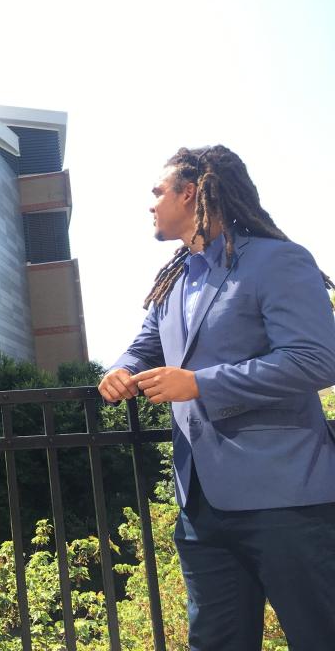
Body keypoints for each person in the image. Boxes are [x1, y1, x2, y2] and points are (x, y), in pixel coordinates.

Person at [98, 145, 335, 650]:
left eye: (158, 192)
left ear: (191, 193)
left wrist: (203, 383)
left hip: (286, 500)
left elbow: (316, 360)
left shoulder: (278, 261)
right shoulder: (175, 277)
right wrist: (120, 370)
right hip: (201, 505)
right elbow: (146, 344)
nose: (151, 204)